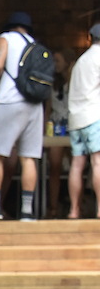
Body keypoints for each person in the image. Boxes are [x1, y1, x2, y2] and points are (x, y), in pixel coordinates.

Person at [0, 12, 45, 221]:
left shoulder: (6, 38)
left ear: (10, 26)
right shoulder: (35, 45)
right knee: (28, 157)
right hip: (35, 105)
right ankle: (27, 212)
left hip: (9, 102)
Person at [67, 24, 100, 219]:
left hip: (76, 118)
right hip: (94, 116)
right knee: (97, 163)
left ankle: (74, 210)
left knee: (77, 165)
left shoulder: (81, 60)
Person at [45, 47, 76, 217]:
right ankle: (53, 208)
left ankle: (75, 206)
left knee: (76, 166)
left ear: (68, 62)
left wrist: (71, 73)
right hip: (56, 126)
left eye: (58, 60)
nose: (54, 64)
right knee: (55, 167)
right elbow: (48, 108)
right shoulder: (51, 82)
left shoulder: (76, 81)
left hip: (73, 125)